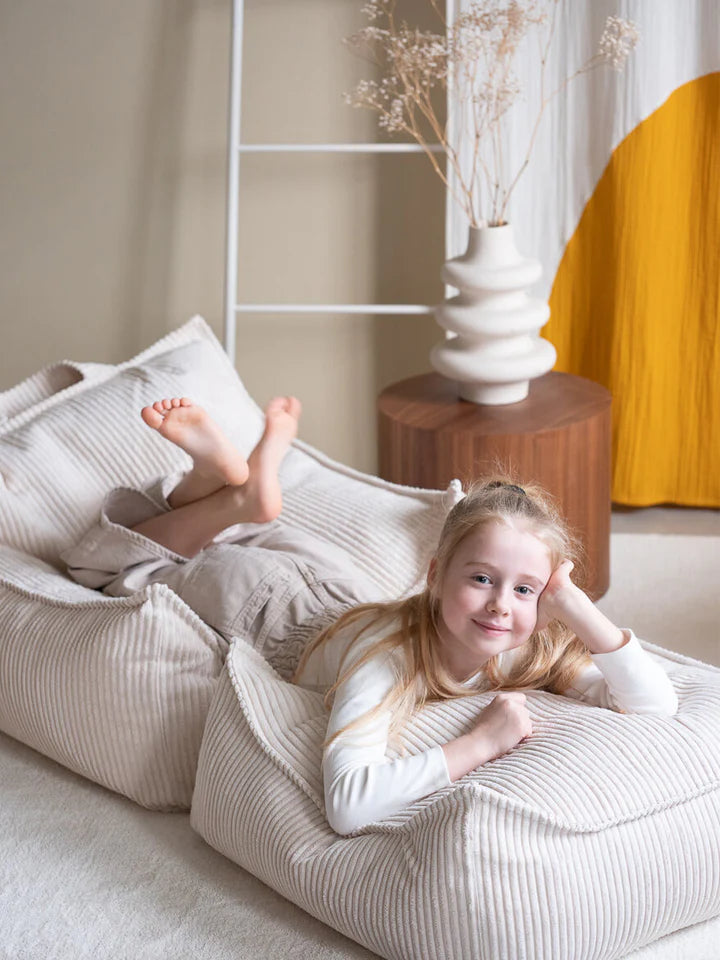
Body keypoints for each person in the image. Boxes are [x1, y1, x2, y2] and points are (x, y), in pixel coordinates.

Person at [63, 398, 679, 837]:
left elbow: (653, 705)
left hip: (335, 588)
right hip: (264, 605)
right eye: (482, 579)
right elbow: (348, 805)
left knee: (220, 534)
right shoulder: (387, 664)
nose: (499, 605)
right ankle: (231, 493)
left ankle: (231, 492)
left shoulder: (520, 644)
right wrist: (479, 743)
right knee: (102, 568)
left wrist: (572, 601)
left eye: (526, 590)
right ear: (436, 575)